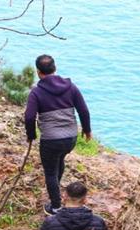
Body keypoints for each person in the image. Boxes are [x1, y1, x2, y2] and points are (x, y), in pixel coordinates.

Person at [24, 54, 92, 215]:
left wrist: (31, 135)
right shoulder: (71, 87)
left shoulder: (36, 92)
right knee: (59, 160)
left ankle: (55, 207)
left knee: (50, 172)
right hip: (70, 138)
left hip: (51, 141)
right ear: (55, 69)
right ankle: (56, 189)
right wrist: (87, 130)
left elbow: (29, 116)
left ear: (38, 72)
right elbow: (83, 110)